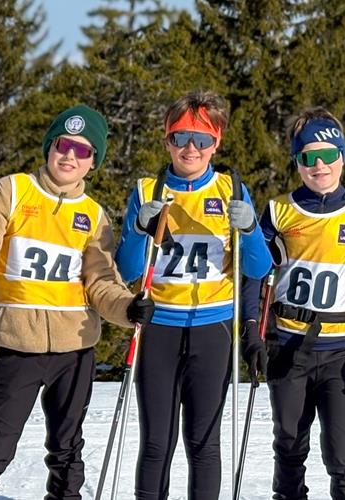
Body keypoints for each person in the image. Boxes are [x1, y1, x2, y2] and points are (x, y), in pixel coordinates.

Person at [0, 105, 152, 499]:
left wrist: (128, 307)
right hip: (20, 347)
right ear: (50, 147)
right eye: (63, 145)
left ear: (92, 162)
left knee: (67, 450)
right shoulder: (14, 190)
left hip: (75, 351)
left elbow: (101, 282)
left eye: (82, 151)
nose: (69, 156)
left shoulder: (94, 215)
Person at [242, 107, 345, 500]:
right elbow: (254, 275)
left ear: (342, 157)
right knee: (288, 445)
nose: (320, 166)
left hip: (341, 351)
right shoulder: (279, 210)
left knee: (341, 453)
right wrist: (251, 332)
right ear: (298, 163)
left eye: (328, 156)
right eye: (308, 158)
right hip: (287, 347)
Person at [114, 90, 272, 500]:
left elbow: (258, 269)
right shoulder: (147, 189)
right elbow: (127, 270)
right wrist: (137, 230)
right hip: (159, 327)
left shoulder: (230, 189)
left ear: (216, 143)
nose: (190, 148)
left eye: (202, 140)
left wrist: (251, 228)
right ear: (166, 140)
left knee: (204, 444)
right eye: (181, 137)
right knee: (156, 443)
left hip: (212, 328)